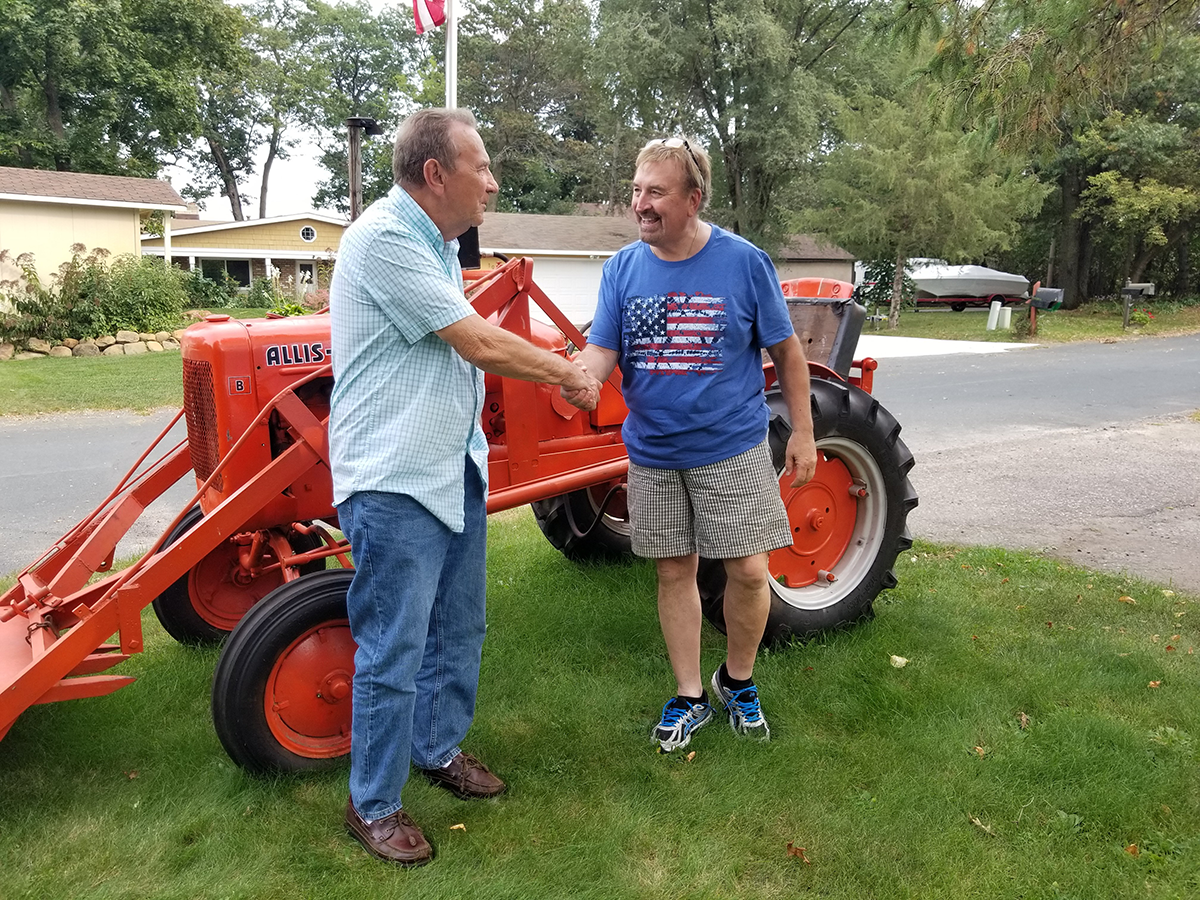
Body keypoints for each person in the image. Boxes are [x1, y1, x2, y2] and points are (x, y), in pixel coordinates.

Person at [328, 107, 600, 866]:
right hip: (394, 480)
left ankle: (438, 749)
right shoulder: (384, 237)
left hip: (452, 468)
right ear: (435, 173)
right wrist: (566, 374)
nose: (493, 180)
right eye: (480, 165)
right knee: (393, 646)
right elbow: (475, 341)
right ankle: (373, 804)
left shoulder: (436, 245)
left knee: (460, 629)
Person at [569, 137, 817, 753]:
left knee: (750, 572)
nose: (640, 205)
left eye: (655, 192)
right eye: (636, 190)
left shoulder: (743, 262)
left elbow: (787, 352)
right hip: (653, 451)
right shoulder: (623, 269)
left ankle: (737, 680)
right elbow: (604, 347)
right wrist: (583, 375)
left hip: (730, 445)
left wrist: (805, 433)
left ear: (693, 198)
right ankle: (688, 695)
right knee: (673, 572)